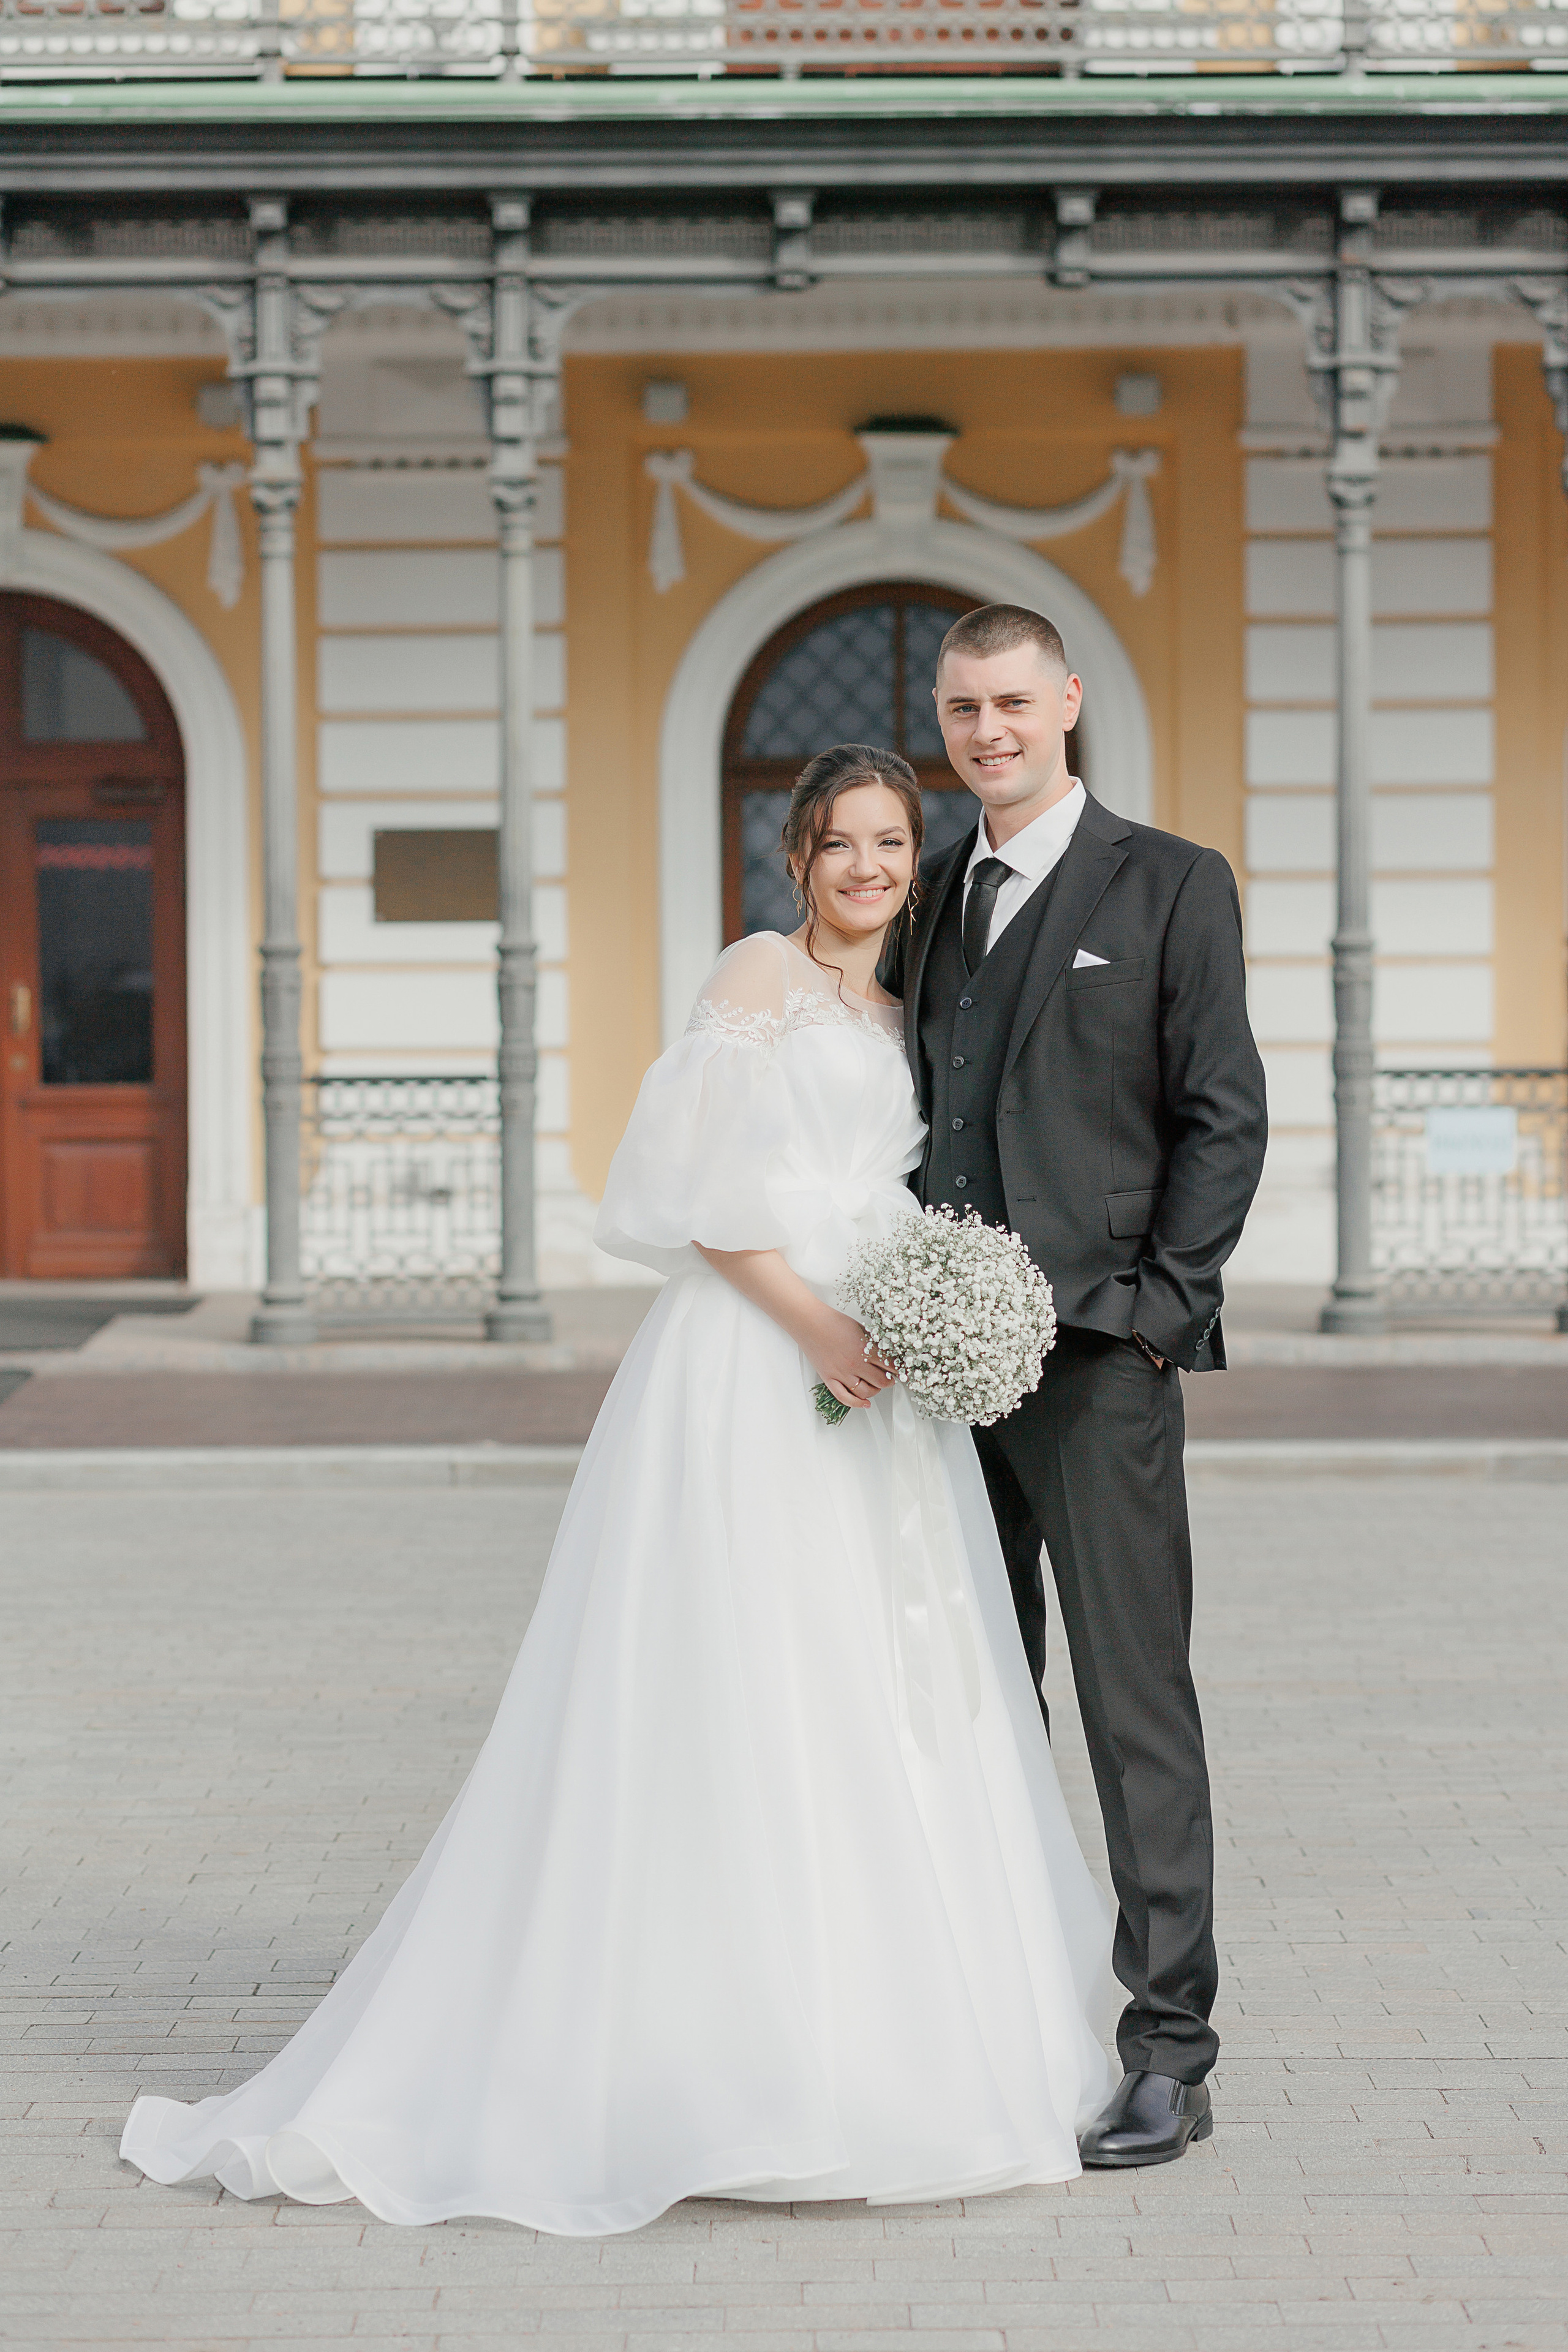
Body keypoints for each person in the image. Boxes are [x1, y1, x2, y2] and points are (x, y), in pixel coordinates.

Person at [119, 742, 1118, 2235]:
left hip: (878, 1379)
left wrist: (920, 1314)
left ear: (918, 861)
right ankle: (702, 2064)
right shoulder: (753, 978)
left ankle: (882, 2045)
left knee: (878, 1683)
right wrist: (822, 1333)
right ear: (795, 860)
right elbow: (695, 1198)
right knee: (736, 1685)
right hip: (754, 1366)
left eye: (891, 844)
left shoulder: (910, 1007)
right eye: (839, 843)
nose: (865, 868)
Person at [891, 603, 1268, 2169]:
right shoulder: (920, 898)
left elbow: (1220, 1116)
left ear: (1065, 703)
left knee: (1131, 1708)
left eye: (1010, 703)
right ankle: (973, 2018)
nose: (986, 731)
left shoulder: (1169, 882)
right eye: (961, 708)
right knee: (956, 1698)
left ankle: (1166, 2046)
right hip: (932, 1376)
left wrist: (1155, 1317)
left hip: (1099, 1363)